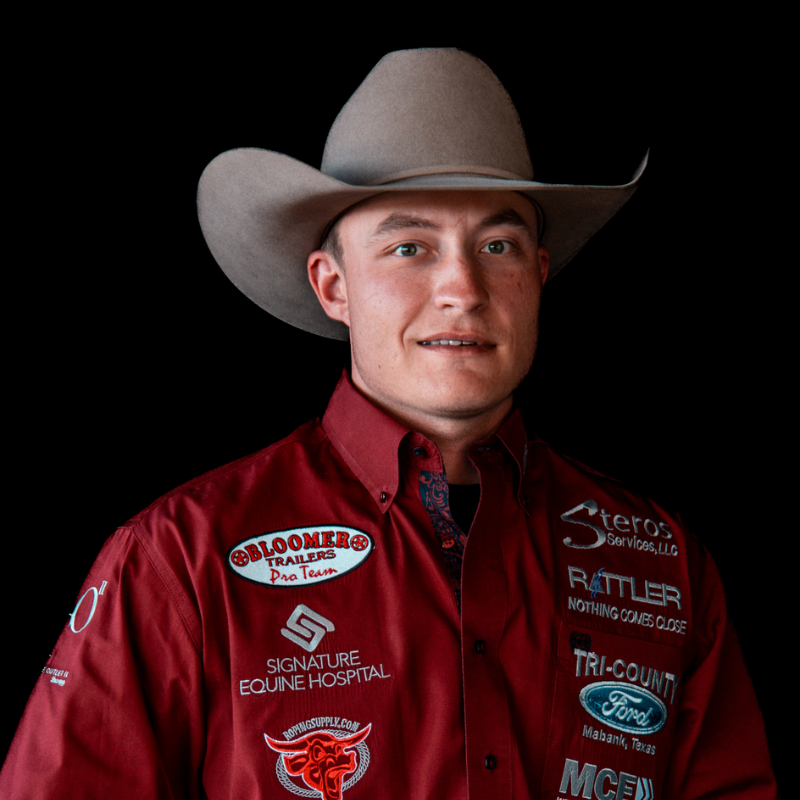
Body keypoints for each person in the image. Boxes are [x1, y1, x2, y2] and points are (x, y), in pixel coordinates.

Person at [1, 49, 778, 799]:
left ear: (537, 276)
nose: (461, 288)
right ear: (333, 286)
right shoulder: (179, 559)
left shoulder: (662, 562)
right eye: (410, 247)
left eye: (497, 244)